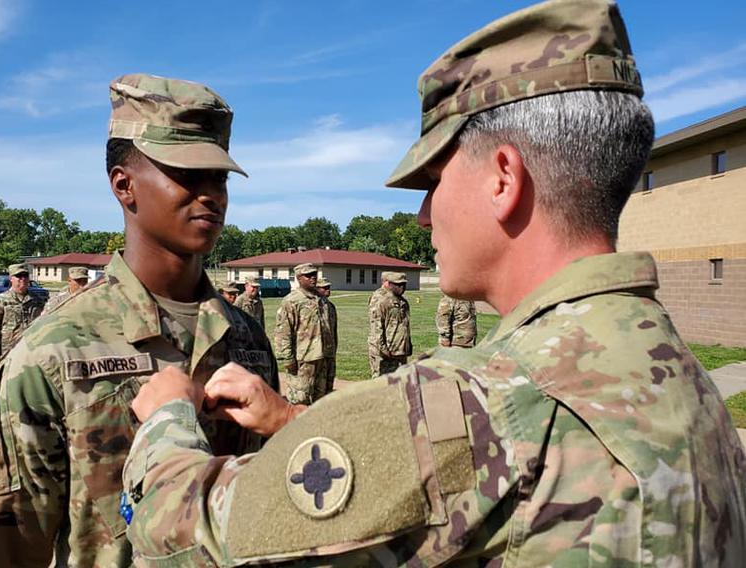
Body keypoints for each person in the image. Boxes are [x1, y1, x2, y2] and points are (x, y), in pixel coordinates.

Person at [120, 1, 746, 565]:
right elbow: (449, 472)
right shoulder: (676, 377)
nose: (423, 216)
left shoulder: (486, 399)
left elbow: (188, 530)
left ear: (503, 177)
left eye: (433, 182)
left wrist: (167, 417)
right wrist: (291, 420)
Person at [0, 73, 280, 567]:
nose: (210, 194)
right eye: (187, 175)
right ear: (125, 186)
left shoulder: (245, 334)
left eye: (219, 177)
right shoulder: (53, 351)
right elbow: (3, 551)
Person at [274, 263, 330, 404]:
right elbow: (283, 332)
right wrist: (288, 359)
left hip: (322, 357)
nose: (313, 278)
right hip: (302, 359)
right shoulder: (292, 301)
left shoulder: (322, 301)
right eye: (308, 275)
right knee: (300, 399)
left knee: (321, 397)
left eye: (314, 275)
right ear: (299, 278)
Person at [0, 263, 46, 357]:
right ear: (11, 278)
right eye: (19, 276)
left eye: (25, 276)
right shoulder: (1, 300)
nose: (23, 279)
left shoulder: (37, 300)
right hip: (8, 350)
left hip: (32, 349)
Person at [367, 271, 412, 378]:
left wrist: (407, 345)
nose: (402, 287)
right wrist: (383, 349)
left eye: (404, 284)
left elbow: (404, 325)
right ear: (389, 284)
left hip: (399, 350)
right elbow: (377, 327)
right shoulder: (381, 300)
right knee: (382, 384)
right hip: (386, 352)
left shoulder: (402, 302)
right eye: (398, 284)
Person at [315, 278, 338, 393]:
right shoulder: (313, 306)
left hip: (330, 350)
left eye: (329, 287)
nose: (328, 290)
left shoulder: (331, 306)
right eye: (325, 288)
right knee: (318, 384)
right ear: (317, 289)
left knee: (329, 382)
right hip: (318, 351)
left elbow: (334, 330)